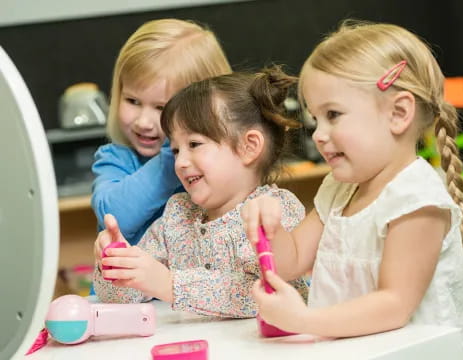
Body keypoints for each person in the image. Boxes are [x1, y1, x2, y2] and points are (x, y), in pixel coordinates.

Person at [241, 20, 463, 358]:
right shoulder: (339, 188)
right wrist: (268, 223)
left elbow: (393, 304)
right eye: (315, 119)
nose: (318, 134)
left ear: (398, 113)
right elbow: (289, 262)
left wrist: (305, 319)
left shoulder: (416, 199)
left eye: (333, 115)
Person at [93, 67, 309, 318]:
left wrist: (168, 284)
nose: (181, 162)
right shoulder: (177, 215)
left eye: (194, 144)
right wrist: (115, 265)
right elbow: (126, 296)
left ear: (249, 146)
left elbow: (266, 294)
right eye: (175, 150)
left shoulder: (274, 210)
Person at [91, 19, 232, 246]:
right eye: (132, 101)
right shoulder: (115, 158)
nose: (144, 122)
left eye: (160, 108)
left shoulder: (220, 160)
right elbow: (114, 217)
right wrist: (171, 159)